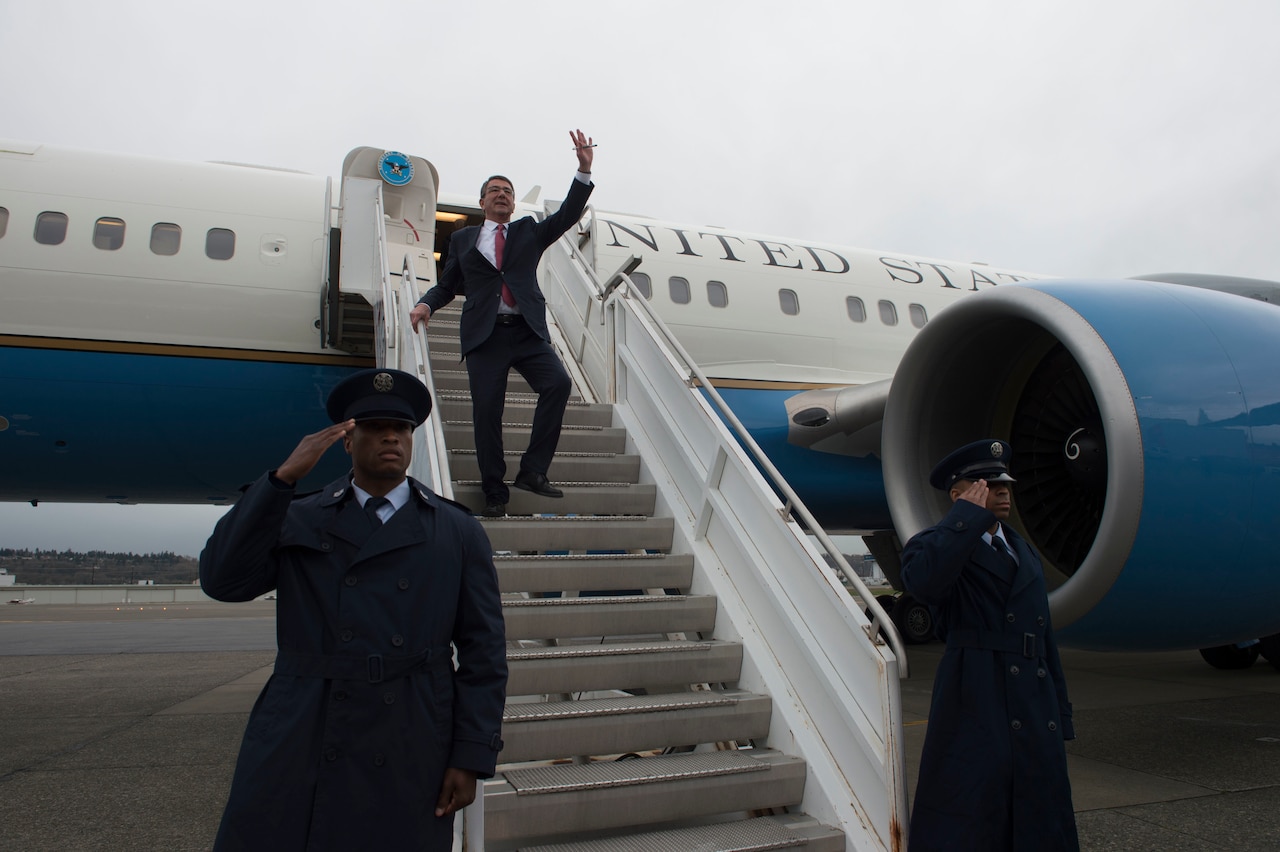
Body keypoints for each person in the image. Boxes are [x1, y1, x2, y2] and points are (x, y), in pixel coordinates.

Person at [200, 368, 507, 851]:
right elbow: (222, 580)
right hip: (303, 729)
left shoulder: (457, 531)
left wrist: (470, 757)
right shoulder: (298, 514)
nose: (391, 436)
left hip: (410, 732)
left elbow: (484, 655)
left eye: (402, 428)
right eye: (373, 426)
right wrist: (281, 481)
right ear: (347, 439)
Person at [900, 439, 1078, 852]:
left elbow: (1044, 638)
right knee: (974, 813)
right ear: (958, 495)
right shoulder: (937, 544)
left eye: (1005, 484)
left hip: (1033, 706)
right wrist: (964, 520)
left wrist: (1061, 712)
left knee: (1039, 817)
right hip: (976, 699)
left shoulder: (1023, 552)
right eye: (985, 484)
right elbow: (923, 581)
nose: (1001, 491)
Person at [410, 129, 595, 518]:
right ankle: (494, 491)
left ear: (513, 203)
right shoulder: (463, 240)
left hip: (527, 331)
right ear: (482, 201)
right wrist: (427, 305)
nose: (502, 194)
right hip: (486, 335)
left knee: (559, 384)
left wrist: (582, 171)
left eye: (507, 190)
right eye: (494, 190)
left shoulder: (528, 231)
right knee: (487, 413)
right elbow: (448, 285)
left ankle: (533, 471)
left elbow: (566, 215)